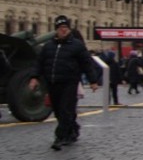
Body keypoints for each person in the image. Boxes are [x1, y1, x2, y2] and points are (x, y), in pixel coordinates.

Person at [32, 15, 101, 150]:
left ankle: (60, 137)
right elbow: (39, 63)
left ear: (69, 29)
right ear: (56, 30)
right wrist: (34, 77)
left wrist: (93, 80)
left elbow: (86, 63)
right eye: (60, 28)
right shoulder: (48, 46)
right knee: (58, 111)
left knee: (65, 110)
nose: (63, 30)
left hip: (69, 83)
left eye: (65, 28)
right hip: (52, 83)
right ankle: (72, 130)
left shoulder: (77, 45)